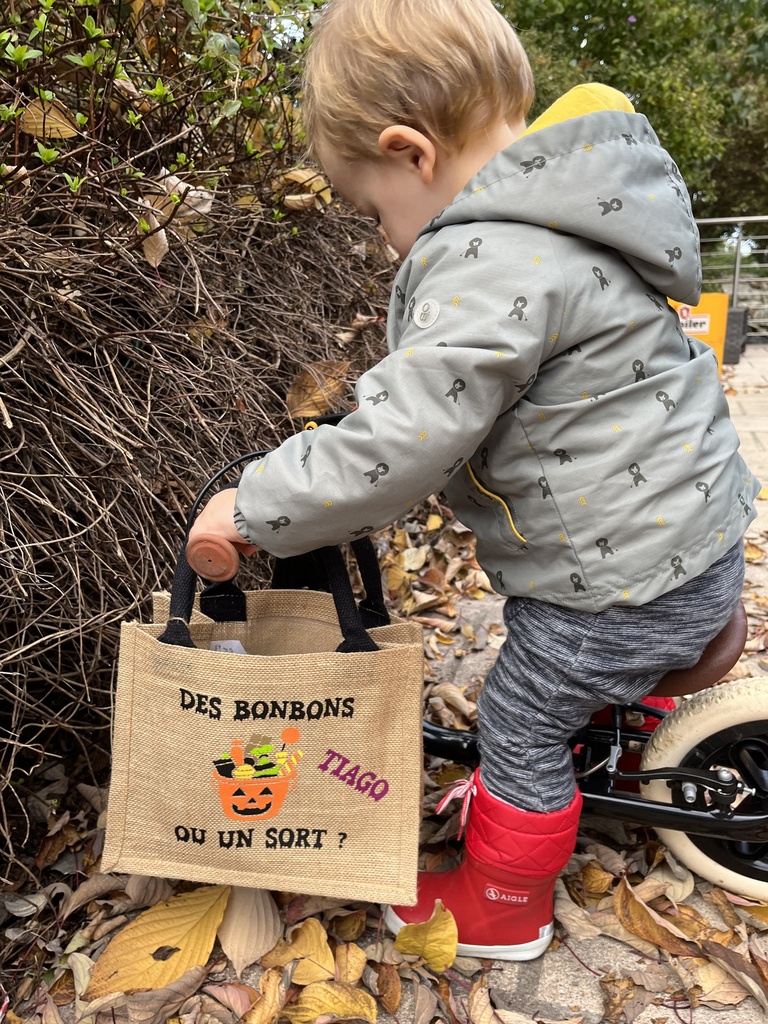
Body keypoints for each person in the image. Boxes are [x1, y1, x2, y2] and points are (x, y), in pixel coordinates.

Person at [187, 0, 759, 961]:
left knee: (517, 721)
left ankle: (501, 905)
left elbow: (405, 440)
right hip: (690, 544)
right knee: (567, 667)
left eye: (373, 213)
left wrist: (257, 506)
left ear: (412, 152)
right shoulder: (577, 215)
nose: (383, 242)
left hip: (619, 589)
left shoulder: (487, 256)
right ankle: (632, 713)